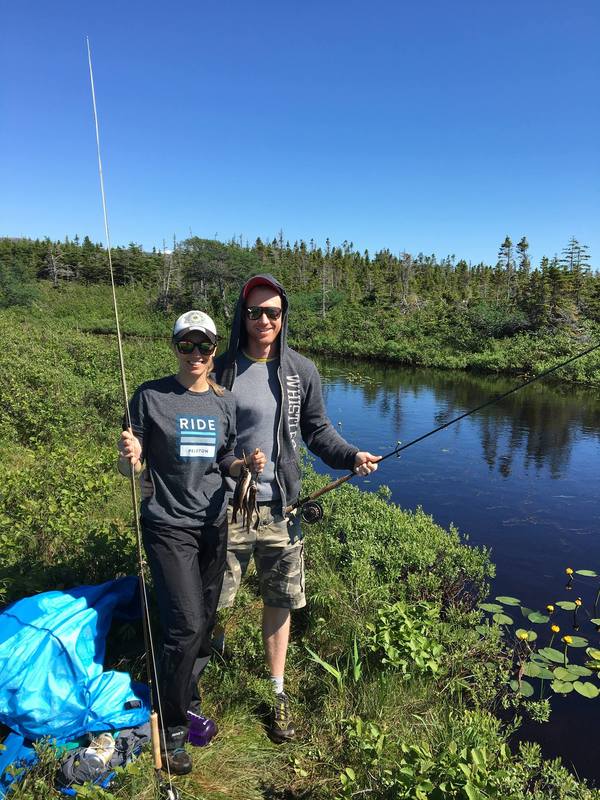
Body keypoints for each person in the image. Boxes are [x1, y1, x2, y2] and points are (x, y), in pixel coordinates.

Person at [213, 275, 380, 743]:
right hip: (227, 508)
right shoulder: (220, 369)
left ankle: (277, 689)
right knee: (217, 596)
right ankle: (215, 658)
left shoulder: (300, 371)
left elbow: (318, 431)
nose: (263, 320)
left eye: (272, 312)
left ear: (283, 317)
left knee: (280, 601)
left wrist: (351, 456)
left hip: (281, 509)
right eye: (254, 312)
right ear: (241, 316)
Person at [118, 309, 265, 775]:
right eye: (187, 345)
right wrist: (131, 459)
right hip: (167, 525)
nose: (196, 354)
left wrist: (244, 467)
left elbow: (224, 459)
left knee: (203, 621)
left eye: (204, 346)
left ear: (214, 349)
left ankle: (188, 693)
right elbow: (130, 467)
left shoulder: (223, 401)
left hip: (212, 524)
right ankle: (173, 724)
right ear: (175, 346)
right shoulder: (150, 397)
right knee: (184, 625)